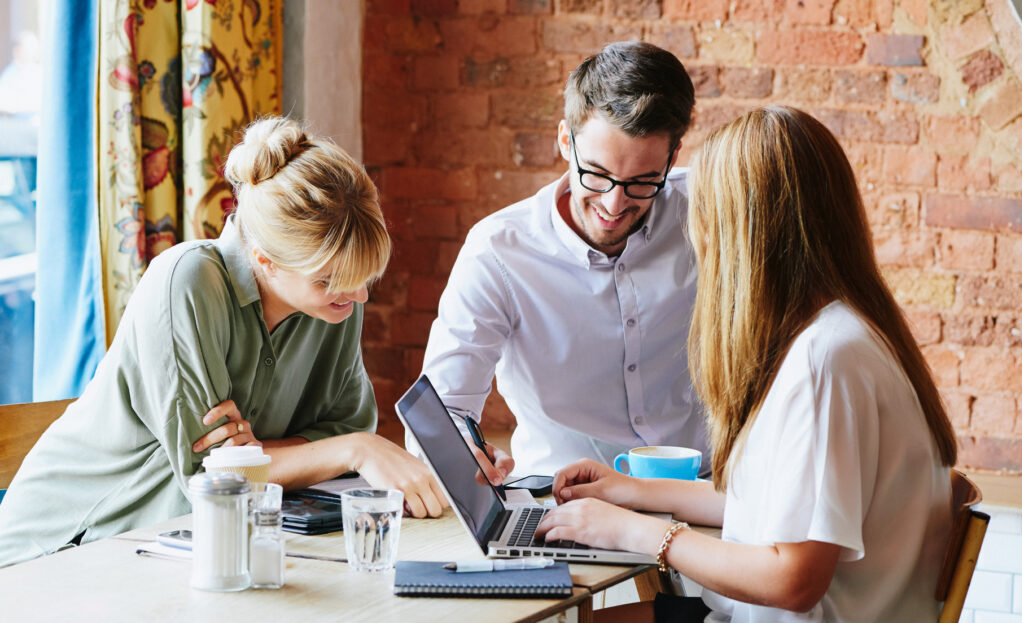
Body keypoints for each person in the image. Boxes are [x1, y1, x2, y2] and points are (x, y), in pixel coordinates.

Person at [535, 106, 958, 622]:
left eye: (705, 214)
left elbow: (792, 579)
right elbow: (772, 511)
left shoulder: (826, 360)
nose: (696, 235)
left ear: (744, 232)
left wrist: (635, 531)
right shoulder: (842, 333)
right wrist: (633, 492)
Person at [0, 117, 447, 568]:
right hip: (65, 549)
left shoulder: (336, 301)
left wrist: (262, 456)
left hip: (183, 546)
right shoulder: (186, 282)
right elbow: (215, 477)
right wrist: (351, 449)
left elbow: (331, 433)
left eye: (364, 276)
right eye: (330, 279)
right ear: (265, 260)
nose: (359, 295)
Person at [417, 41, 708, 483]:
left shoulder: (711, 213)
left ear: (673, 156)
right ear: (564, 141)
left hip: (698, 493)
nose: (615, 203)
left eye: (644, 182)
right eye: (597, 174)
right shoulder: (498, 253)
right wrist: (462, 453)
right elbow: (442, 412)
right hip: (563, 502)